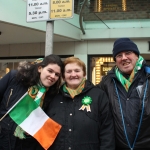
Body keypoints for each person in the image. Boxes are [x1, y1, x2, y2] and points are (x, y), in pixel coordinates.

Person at [37, 56, 115, 150]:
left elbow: (107, 131)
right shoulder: (53, 97)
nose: (73, 74)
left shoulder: (98, 95)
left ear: (84, 74)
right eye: (69, 72)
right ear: (63, 76)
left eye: (77, 71)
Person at [0, 54, 64, 150]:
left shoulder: (52, 95)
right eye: (50, 71)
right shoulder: (15, 77)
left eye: (57, 74)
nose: (53, 76)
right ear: (40, 68)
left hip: (26, 144)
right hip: (3, 138)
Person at [97, 37, 150, 150]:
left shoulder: (148, 77)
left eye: (128, 53)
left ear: (137, 55)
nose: (124, 58)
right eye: (119, 55)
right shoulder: (107, 82)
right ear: (115, 60)